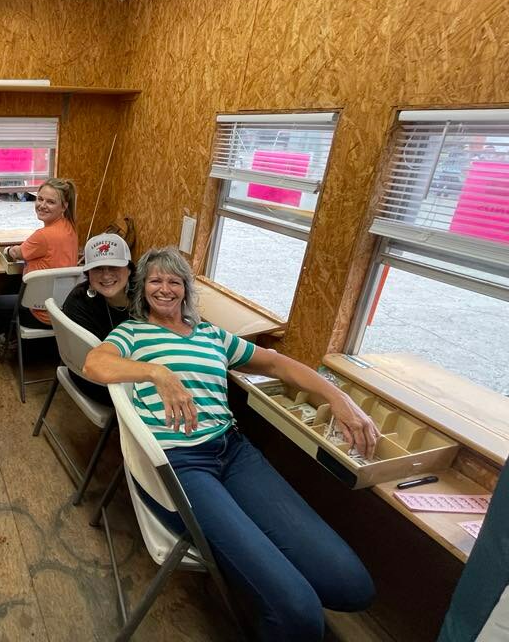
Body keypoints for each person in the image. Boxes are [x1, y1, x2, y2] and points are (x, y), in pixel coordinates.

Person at [84, 247, 376, 642]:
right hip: (178, 465)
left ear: (187, 290)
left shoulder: (210, 334)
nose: (165, 288)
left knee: (351, 585)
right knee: (299, 613)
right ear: (142, 288)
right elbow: (94, 364)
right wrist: (157, 372)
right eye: (156, 280)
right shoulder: (132, 333)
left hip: (233, 452)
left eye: (175, 281)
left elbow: (275, 363)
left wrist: (338, 398)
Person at [0, 178, 79, 358]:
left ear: (64, 206)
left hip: (40, 314)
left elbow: (17, 253)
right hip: (61, 308)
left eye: (50, 202)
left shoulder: (43, 236)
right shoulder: (70, 228)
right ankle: (9, 337)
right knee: (11, 286)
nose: (42, 205)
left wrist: (9, 249)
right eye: (40, 199)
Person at [60, 233, 134, 406]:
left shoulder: (146, 295)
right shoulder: (78, 302)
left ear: (129, 269)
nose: (106, 275)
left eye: (114, 266)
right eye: (98, 268)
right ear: (88, 273)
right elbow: (99, 366)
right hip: (99, 382)